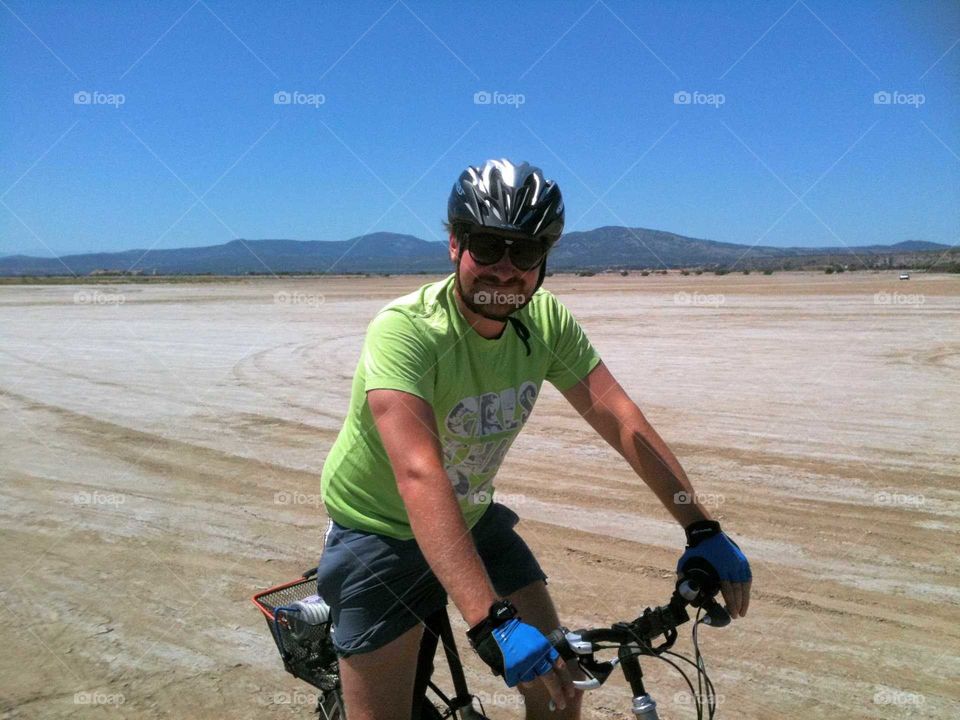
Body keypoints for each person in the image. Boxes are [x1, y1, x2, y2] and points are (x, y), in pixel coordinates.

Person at [317, 158, 752, 720]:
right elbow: (419, 474)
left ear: (544, 258)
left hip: (471, 518)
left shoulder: (545, 323)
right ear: (455, 244)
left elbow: (622, 420)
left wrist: (700, 525)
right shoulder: (407, 330)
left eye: (523, 252)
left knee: (560, 686)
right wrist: (489, 621)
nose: (504, 269)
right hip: (378, 530)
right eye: (487, 246)